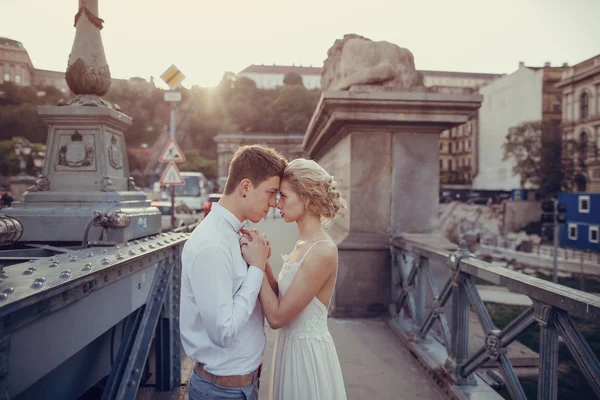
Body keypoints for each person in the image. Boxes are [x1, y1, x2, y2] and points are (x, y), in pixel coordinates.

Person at [180, 145, 287, 400]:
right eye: (271, 193)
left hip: (241, 385)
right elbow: (222, 332)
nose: (274, 203)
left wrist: (262, 262)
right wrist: (257, 268)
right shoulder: (212, 244)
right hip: (221, 392)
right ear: (246, 187)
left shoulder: (237, 235)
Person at [241, 158, 348, 400]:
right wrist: (265, 260)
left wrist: (256, 265)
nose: (277, 203)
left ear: (307, 198)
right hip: (291, 348)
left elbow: (277, 316)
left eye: (284, 196)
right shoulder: (303, 244)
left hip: (307, 356)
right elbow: (282, 296)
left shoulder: (322, 250)